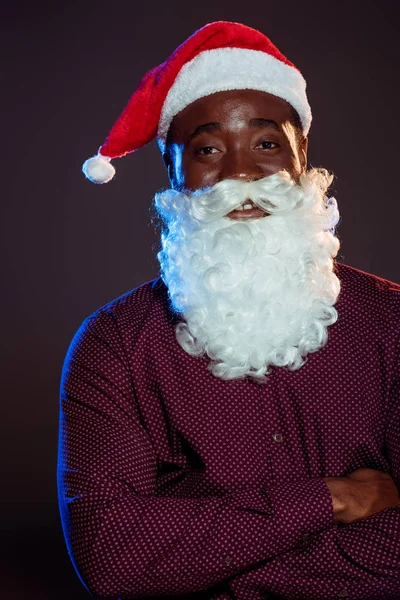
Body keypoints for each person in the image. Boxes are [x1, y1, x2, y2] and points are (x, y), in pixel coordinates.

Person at [57, 21, 400, 600]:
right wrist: (332, 500)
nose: (240, 174)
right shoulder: (113, 344)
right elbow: (112, 556)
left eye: (266, 145)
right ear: (172, 173)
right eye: (208, 150)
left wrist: (211, 569)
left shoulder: (392, 323)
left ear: (302, 158)